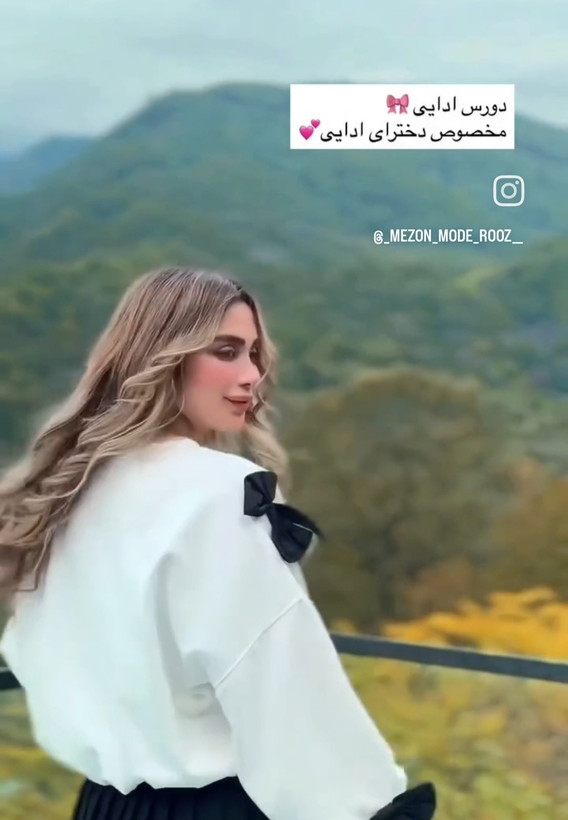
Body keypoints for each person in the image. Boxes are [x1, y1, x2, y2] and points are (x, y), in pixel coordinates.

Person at [0, 267, 436, 819]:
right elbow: (278, 680)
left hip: (103, 805)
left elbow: (39, 655)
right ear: (162, 355)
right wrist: (365, 806)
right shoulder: (219, 493)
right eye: (226, 351)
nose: (251, 375)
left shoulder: (69, 490)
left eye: (253, 354)